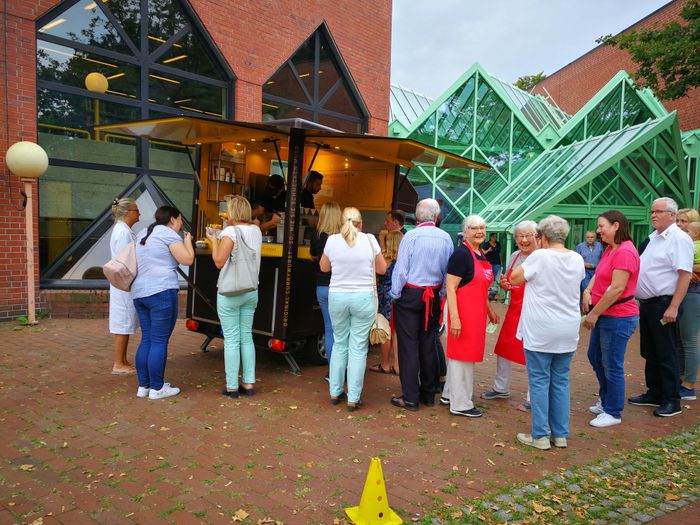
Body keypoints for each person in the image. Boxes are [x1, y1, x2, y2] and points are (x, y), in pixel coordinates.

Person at [510, 215, 584, 450]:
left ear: (541, 237)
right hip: (568, 326)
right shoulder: (577, 258)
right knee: (561, 380)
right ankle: (560, 433)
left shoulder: (539, 256)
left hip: (541, 328)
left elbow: (515, 278)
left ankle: (540, 435)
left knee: (540, 381)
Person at [630, 198, 693, 417]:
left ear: (672, 215)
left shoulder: (679, 239)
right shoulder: (653, 238)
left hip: (664, 304)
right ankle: (654, 392)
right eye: (652, 212)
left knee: (667, 353)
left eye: (659, 212)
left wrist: (674, 306)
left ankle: (672, 400)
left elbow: (685, 274)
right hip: (647, 304)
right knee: (650, 351)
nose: (653, 215)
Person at [320, 207, 387, 411]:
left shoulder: (332, 240)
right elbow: (382, 269)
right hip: (363, 298)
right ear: (361, 223)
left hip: (338, 296)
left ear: (342, 222)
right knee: (358, 347)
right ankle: (353, 397)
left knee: (340, 343)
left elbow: (323, 267)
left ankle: (335, 392)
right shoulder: (369, 240)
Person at [390, 199, 453, 411]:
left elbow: (401, 269)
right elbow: (447, 272)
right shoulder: (446, 238)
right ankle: (428, 393)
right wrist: (441, 293)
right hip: (433, 294)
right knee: (428, 343)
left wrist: (395, 293)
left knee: (409, 346)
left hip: (411, 293)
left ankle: (410, 397)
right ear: (436, 217)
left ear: (417, 218)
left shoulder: (412, 236)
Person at [582, 211, 640, 427]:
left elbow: (617, 288)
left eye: (601, 226)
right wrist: (588, 290)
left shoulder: (625, 251)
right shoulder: (610, 249)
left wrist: (594, 313)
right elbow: (599, 273)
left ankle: (613, 411)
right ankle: (606, 399)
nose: (598, 231)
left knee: (611, 363)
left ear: (616, 226)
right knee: (596, 357)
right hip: (605, 315)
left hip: (618, 317)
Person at [131, 206, 194, 400]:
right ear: (173, 220)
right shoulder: (168, 234)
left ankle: (144, 386)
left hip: (139, 293)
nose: (181, 224)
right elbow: (188, 259)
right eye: (181, 219)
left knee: (147, 339)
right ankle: (157, 389)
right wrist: (188, 241)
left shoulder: (144, 232)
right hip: (161, 291)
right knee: (159, 341)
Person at [442, 215, 500, 418]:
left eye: (483, 228)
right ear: (465, 231)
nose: (480, 232)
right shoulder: (461, 254)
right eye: (474, 228)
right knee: (461, 356)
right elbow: (451, 287)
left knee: (464, 356)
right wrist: (455, 318)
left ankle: (449, 394)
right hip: (462, 311)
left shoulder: (480, 254)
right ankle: (461, 404)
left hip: (475, 312)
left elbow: (480, 287)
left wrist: (489, 310)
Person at [207, 196, 263, 399]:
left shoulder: (230, 232)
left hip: (230, 292)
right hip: (250, 290)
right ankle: (248, 384)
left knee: (231, 339)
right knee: (246, 337)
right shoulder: (256, 230)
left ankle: (232, 386)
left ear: (232, 212)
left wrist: (214, 240)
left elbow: (219, 262)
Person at [482, 220, 538, 407]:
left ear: (536, 236)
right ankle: (501, 387)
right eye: (519, 236)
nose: (523, 240)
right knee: (504, 348)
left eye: (527, 235)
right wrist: (506, 285)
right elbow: (508, 280)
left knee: (534, 354)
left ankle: (534, 396)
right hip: (514, 309)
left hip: (534, 312)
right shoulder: (514, 256)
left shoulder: (542, 256)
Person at [310, 201, 343, 381]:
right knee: (343, 332)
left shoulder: (317, 235)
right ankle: (342, 371)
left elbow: (313, 254)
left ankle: (332, 372)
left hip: (322, 287)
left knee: (329, 330)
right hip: (339, 288)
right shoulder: (343, 237)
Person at [108, 197, 140, 375]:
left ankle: (123, 360)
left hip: (125, 283)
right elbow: (125, 259)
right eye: (136, 210)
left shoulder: (124, 230)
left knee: (126, 323)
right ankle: (118, 363)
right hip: (123, 284)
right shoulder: (122, 232)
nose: (139, 213)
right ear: (127, 212)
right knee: (122, 323)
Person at [369, 229, 403, 375]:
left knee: (385, 330)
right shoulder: (402, 260)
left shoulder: (385, 259)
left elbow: (376, 273)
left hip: (384, 296)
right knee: (396, 331)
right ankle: (397, 365)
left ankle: (385, 364)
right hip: (399, 297)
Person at [677, 212, 700, 401]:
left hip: (694, 295)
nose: (679, 224)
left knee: (689, 340)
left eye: (683, 221)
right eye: (677, 220)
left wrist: (688, 267)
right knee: (681, 340)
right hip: (683, 294)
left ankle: (689, 385)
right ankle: (682, 378)